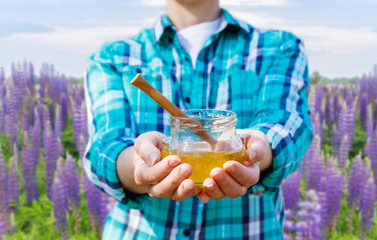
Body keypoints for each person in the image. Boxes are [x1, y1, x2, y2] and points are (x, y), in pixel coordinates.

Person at [83, 0, 313, 239]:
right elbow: (104, 147)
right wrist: (139, 164)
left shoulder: (279, 48)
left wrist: (259, 152)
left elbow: (287, 126)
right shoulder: (113, 57)